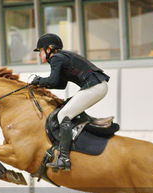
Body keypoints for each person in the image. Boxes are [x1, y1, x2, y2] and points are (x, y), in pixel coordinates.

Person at [31, 33, 110, 171]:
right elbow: (61, 84)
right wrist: (41, 83)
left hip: (95, 87)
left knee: (63, 115)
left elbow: (53, 81)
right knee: (66, 108)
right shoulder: (60, 58)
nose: (40, 54)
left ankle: (64, 159)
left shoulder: (56, 58)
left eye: (41, 51)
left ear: (49, 49)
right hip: (97, 86)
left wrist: (38, 81)